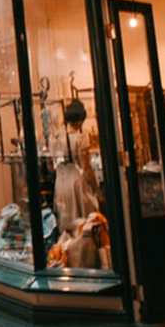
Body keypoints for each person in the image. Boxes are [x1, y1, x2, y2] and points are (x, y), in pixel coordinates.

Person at [50, 99, 101, 234]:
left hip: (60, 185)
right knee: (83, 223)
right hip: (76, 185)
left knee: (66, 223)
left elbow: (51, 166)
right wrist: (97, 191)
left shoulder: (55, 138)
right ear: (80, 120)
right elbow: (86, 168)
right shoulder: (79, 138)